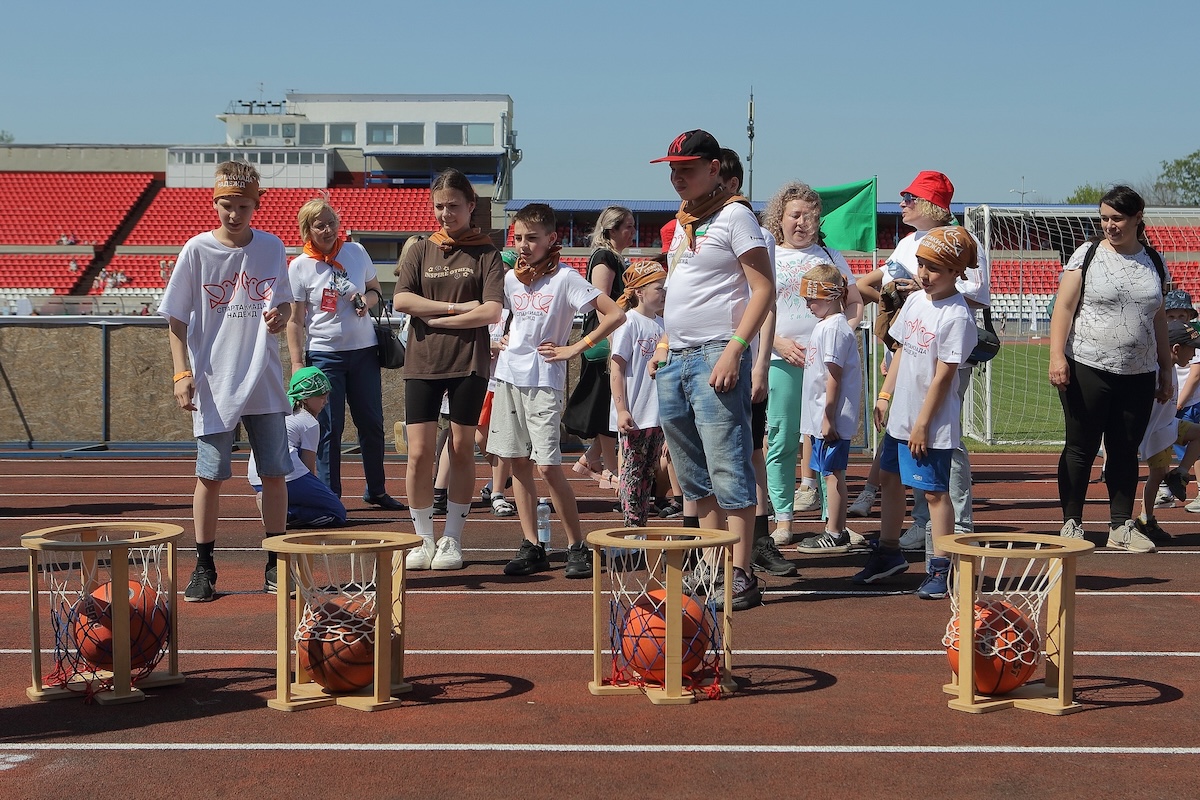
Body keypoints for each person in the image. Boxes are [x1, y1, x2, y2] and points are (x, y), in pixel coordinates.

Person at [649, 129, 775, 610]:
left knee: (729, 469)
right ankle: (711, 566)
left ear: (714, 169)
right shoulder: (687, 222)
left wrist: (736, 350)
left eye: (687, 168)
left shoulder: (736, 215)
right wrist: (664, 342)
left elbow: (763, 289)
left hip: (714, 354)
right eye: (673, 170)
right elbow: (682, 292)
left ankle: (740, 574)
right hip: (677, 357)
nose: (677, 177)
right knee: (693, 477)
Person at [159, 160, 294, 602]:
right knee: (210, 476)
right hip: (215, 381)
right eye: (225, 204)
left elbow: (287, 304)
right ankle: (204, 565)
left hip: (264, 379)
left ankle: (275, 563)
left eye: (242, 205)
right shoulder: (196, 250)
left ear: (257, 205)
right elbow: (176, 320)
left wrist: (280, 315)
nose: (233, 213)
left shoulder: (272, 247)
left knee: (275, 473)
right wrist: (182, 373)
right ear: (214, 203)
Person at [855, 171, 990, 555]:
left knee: (940, 441)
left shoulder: (962, 242)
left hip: (941, 350)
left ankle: (953, 529)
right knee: (902, 450)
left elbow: (975, 292)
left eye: (910, 197)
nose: (902, 203)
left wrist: (921, 286)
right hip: (907, 347)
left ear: (932, 203)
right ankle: (909, 532)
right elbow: (880, 283)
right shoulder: (906, 244)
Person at [489, 203, 625, 577]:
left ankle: (577, 544)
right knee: (517, 463)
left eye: (531, 238)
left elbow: (615, 314)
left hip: (543, 382)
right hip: (508, 377)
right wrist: (494, 340)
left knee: (548, 467)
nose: (523, 245)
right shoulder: (510, 279)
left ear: (552, 239)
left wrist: (575, 347)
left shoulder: (565, 278)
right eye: (517, 237)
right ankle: (532, 544)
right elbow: (496, 317)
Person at [1049, 185, 1171, 552]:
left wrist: (1166, 369)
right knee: (1081, 447)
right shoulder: (1086, 255)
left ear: (1137, 218)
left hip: (1138, 371)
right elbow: (1064, 309)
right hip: (1087, 364)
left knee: (1125, 448)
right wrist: (1057, 356)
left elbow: (1159, 319)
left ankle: (1121, 526)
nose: (1109, 225)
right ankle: (1071, 523)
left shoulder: (1154, 260)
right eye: (1104, 218)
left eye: (1117, 218)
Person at [394, 169, 505, 571]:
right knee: (419, 453)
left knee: (461, 450)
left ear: (471, 206)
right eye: (439, 206)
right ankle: (423, 539)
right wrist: (457, 311)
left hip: (468, 363)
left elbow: (491, 311)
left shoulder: (486, 253)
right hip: (422, 361)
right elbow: (403, 299)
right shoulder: (420, 249)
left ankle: (452, 540)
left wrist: (441, 317)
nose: (445, 214)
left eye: (453, 206)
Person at [759, 181, 864, 546]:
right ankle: (783, 519)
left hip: (823, 364)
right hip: (781, 359)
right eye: (795, 215)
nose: (802, 223)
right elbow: (747, 308)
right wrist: (776, 342)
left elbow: (854, 303)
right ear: (780, 218)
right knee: (782, 439)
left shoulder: (831, 257)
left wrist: (840, 337)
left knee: (825, 436)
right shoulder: (767, 254)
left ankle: (831, 522)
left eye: (810, 215)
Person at [286, 198, 404, 511]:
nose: (327, 229)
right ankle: (329, 494)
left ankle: (376, 490)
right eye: (319, 224)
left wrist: (366, 299)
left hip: (364, 352)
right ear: (307, 230)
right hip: (325, 355)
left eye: (331, 223)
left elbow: (377, 291)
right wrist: (298, 365)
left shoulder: (356, 252)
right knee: (328, 427)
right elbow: (296, 320)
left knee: (371, 423)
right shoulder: (299, 266)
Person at [790, 265, 862, 554]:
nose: (808, 305)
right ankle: (833, 529)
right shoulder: (826, 326)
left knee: (833, 474)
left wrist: (828, 417)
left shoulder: (834, 329)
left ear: (831, 296)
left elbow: (834, 377)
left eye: (812, 299)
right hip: (822, 416)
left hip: (829, 418)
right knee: (829, 473)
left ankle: (835, 531)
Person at [564, 205, 635, 488]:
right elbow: (602, 301)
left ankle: (591, 460)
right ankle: (612, 471)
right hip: (605, 340)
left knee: (612, 405)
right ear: (611, 229)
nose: (632, 231)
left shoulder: (617, 258)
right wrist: (613, 339)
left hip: (613, 336)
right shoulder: (604, 257)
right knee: (609, 407)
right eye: (627, 226)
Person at [249, 367, 347, 529]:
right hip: (288, 478)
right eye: (322, 397)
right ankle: (285, 513)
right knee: (337, 513)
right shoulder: (309, 422)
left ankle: (271, 504)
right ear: (306, 398)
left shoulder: (281, 412)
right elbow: (308, 467)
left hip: (256, 477)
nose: (326, 402)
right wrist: (321, 492)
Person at [609, 260, 667, 527]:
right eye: (659, 287)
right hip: (636, 413)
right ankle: (632, 529)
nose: (664, 292)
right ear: (640, 291)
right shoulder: (628, 322)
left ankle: (639, 526)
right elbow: (617, 367)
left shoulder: (664, 323)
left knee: (648, 474)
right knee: (633, 473)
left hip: (657, 415)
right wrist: (622, 409)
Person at [1134, 320, 1200, 546]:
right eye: (1192, 348)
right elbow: (1138, 395)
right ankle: (1145, 518)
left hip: (1169, 423)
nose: (1195, 353)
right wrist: (1155, 393)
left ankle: (1180, 473)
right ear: (1176, 349)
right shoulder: (1155, 368)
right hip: (1154, 431)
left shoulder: (1171, 366)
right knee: (1157, 474)